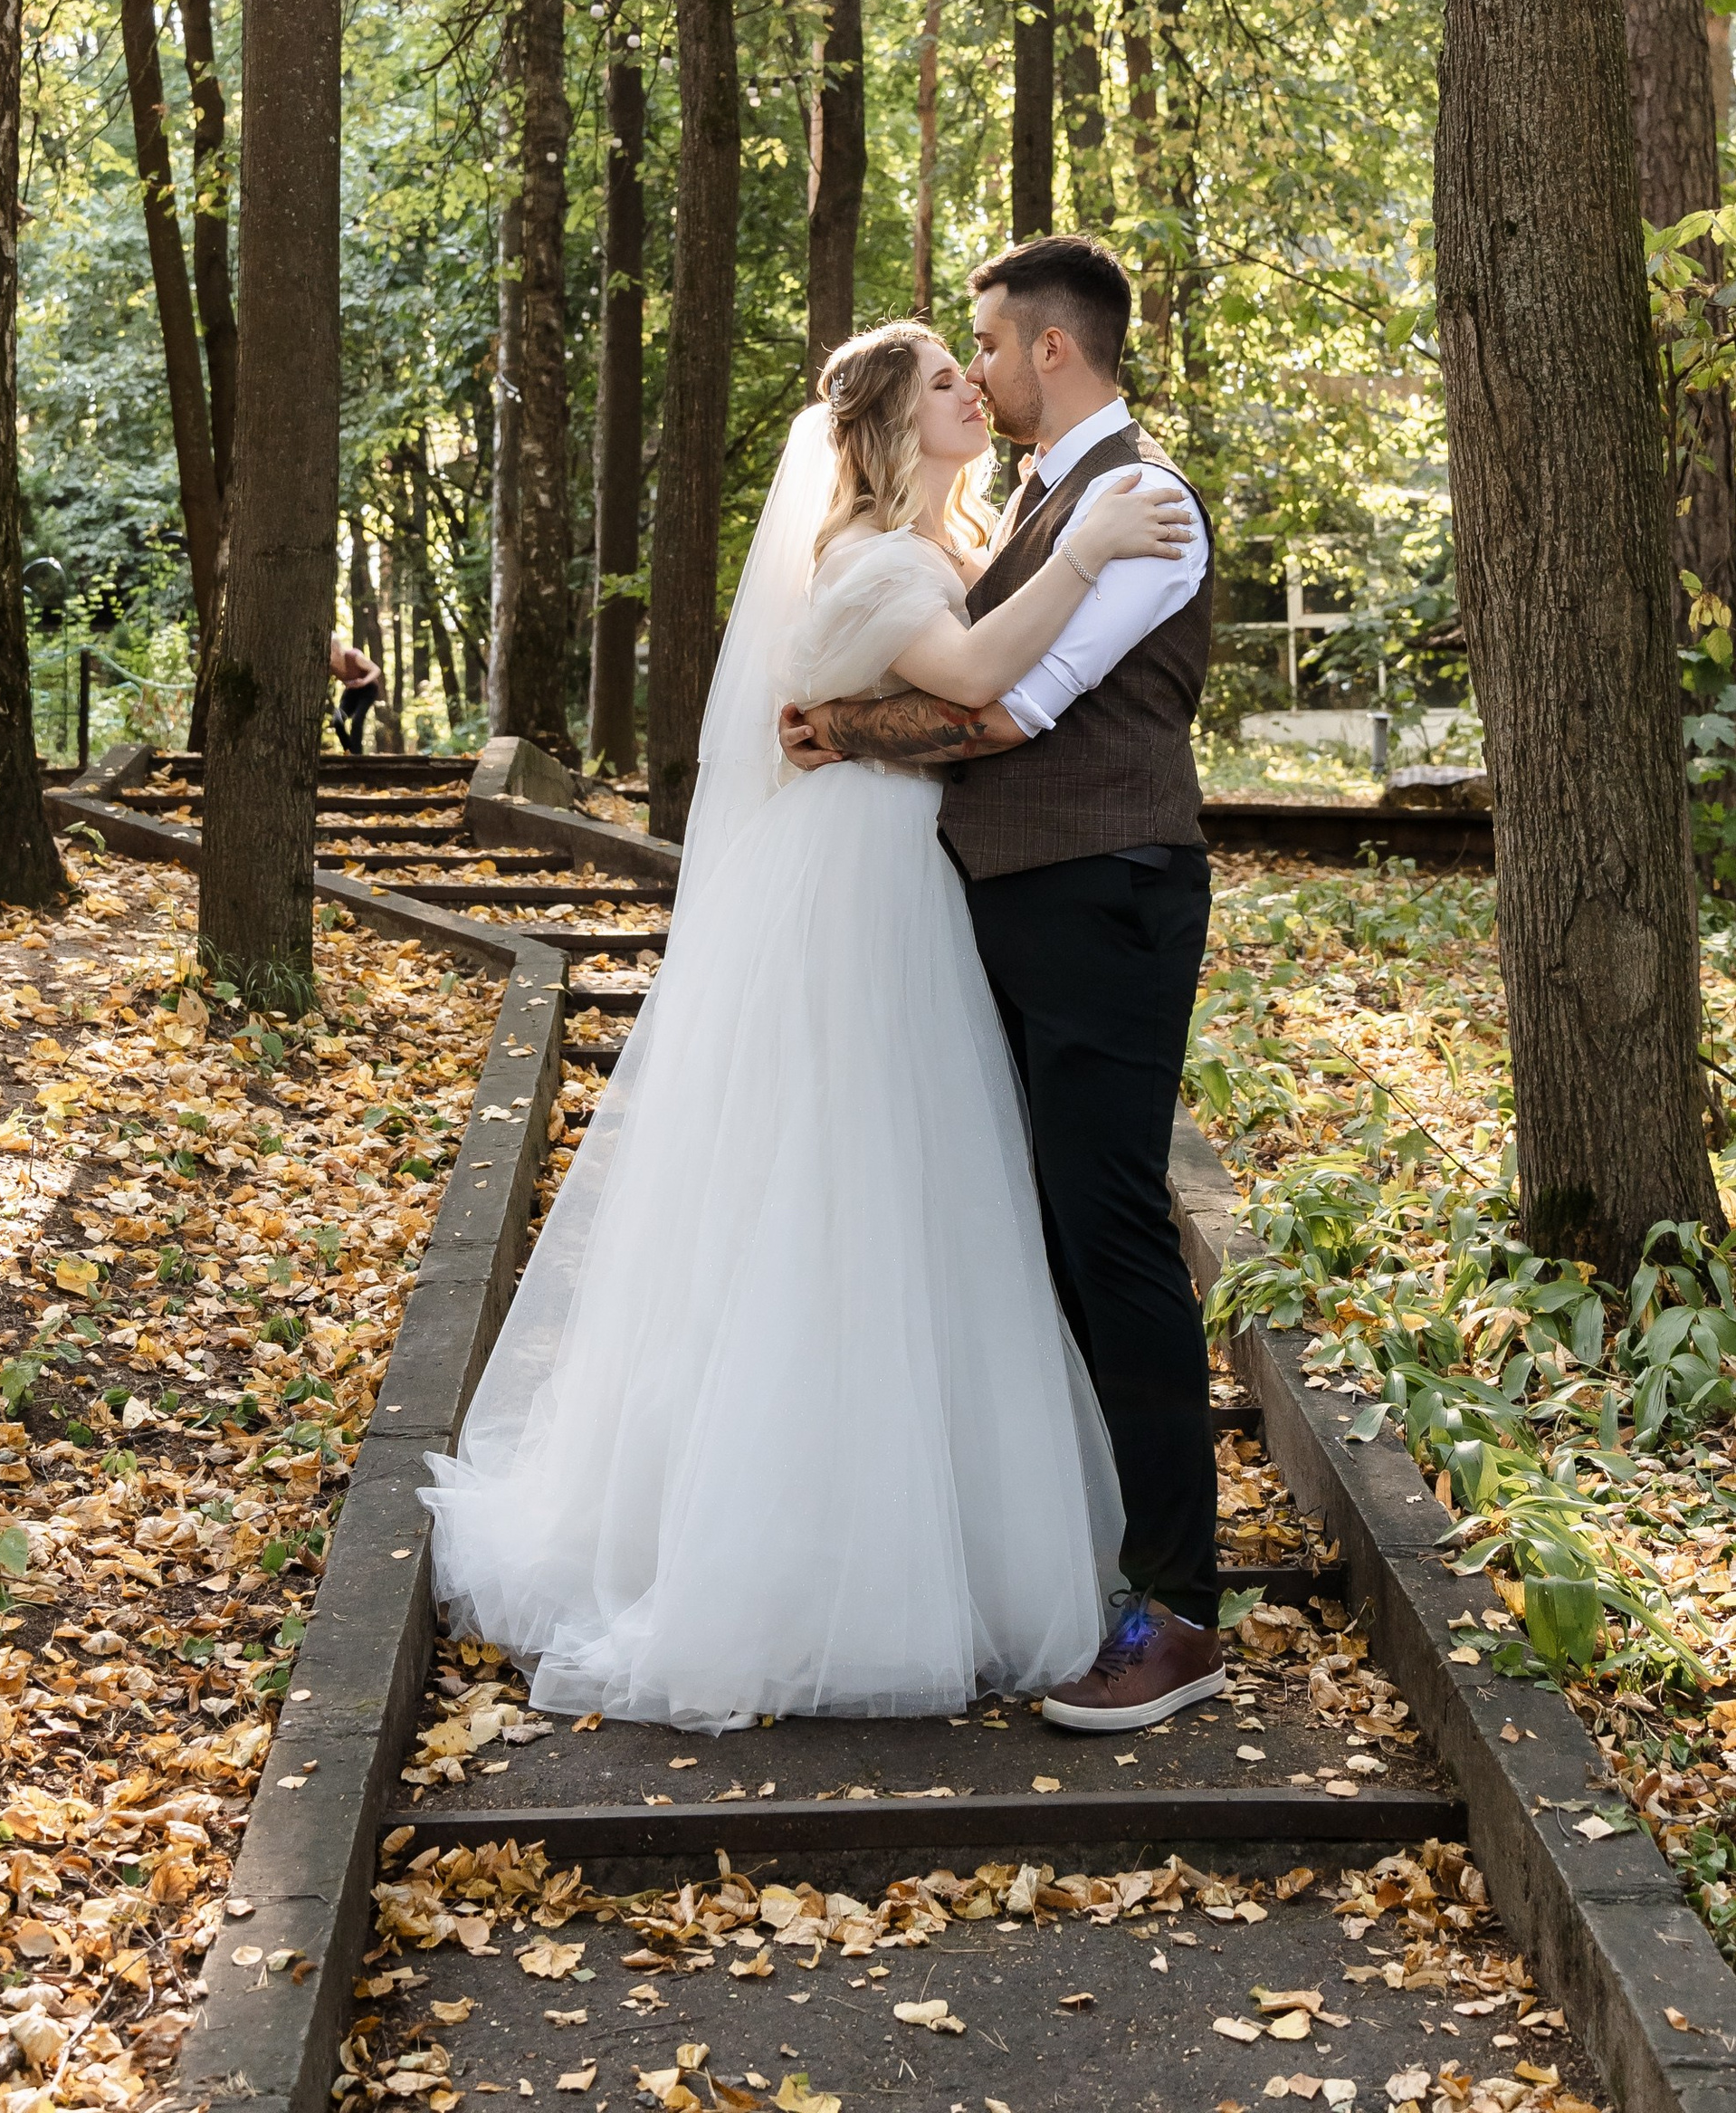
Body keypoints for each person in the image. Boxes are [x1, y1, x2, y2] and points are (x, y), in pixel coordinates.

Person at [417, 319, 1191, 1728]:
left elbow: (958, 687)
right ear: (895, 428)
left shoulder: (939, 544)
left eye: (980, 366)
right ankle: (808, 1561)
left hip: (906, 872)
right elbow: (970, 687)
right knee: (851, 1188)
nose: (975, 387)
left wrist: (867, 706)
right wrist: (1080, 556)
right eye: (950, 381)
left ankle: (916, 1532)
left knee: (915, 1195)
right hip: (859, 890)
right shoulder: (882, 557)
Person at [779, 234, 1221, 1734]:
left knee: (1111, 1235)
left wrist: (844, 732)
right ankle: (1095, 1549)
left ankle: (1178, 1608)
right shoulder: (1042, 498)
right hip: (1023, 907)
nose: (973, 367)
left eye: (986, 342)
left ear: (1051, 350)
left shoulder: (1141, 505)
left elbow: (1017, 705)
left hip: (1105, 900)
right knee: (1045, 1231)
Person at [329, 632, 383, 756]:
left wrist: (363, 681)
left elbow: (376, 670)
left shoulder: (354, 657)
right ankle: (349, 751)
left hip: (368, 689)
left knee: (357, 720)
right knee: (338, 720)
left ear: (336, 649)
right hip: (351, 692)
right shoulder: (329, 666)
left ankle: (357, 755)